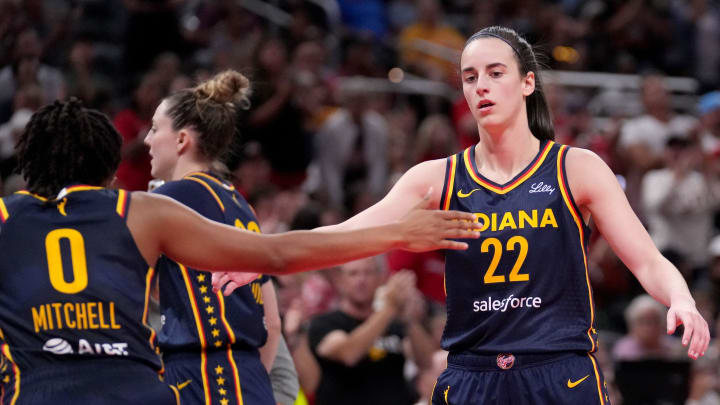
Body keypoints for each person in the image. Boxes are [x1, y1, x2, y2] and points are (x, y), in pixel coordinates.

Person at [216, 26, 710, 405]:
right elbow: (346, 233)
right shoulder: (435, 178)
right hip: (472, 375)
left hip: (559, 371)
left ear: (527, 83)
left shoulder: (575, 167)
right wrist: (264, 258)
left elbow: (645, 259)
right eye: (471, 78)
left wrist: (680, 298)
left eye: (496, 73)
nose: (482, 87)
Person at [0, 98, 478, 404]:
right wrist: (396, 232)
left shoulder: (5, 218)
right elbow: (277, 256)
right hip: (134, 390)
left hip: (38, 390)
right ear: (109, 171)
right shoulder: (140, 211)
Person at [142, 70, 279, 405]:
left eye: (155, 128)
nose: (146, 139)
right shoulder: (239, 202)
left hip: (203, 373)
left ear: (181, 140)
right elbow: (272, 323)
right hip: (249, 376)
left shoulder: (170, 198)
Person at [307, 259, 434, 405]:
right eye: (353, 274)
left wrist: (409, 321)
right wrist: (390, 307)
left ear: (380, 278)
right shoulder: (325, 323)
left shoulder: (393, 324)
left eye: (368, 273)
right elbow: (349, 354)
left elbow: (426, 363)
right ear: (340, 280)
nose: (361, 280)